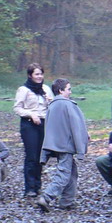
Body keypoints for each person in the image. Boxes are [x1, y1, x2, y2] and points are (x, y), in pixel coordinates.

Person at [36, 79, 89, 212]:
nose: (70, 92)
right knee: (64, 173)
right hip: (66, 145)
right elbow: (76, 127)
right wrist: (81, 143)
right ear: (61, 90)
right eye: (68, 89)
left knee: (72, 172)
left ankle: (67, 201)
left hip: (56, 144)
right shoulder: (68, 105)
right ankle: (47, 197)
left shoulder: (52, 105)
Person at [14, 63, 54, 198]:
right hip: (29, 124)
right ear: (30, 75)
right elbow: (17, 108)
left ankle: (38, 186)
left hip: (44, 123)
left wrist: (51, 101)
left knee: (41, 156)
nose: (39, 76)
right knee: (31, 156)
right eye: (36, 74)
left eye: (41, 74)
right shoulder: (23, 90)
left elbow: (53, 107)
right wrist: (31, 114)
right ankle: (29, 188)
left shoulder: (46, 89)